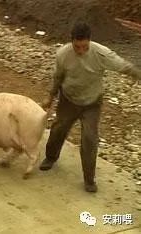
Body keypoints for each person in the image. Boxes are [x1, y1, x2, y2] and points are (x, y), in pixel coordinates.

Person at [39, 22, 141, 192]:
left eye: (84, 47)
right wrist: (50, 95)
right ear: (71, 42)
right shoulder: (63, 54)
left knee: (89, 138)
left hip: (92, 103)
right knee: (58, 129)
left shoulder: (101, 53)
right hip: (68, 99)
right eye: (77, 47)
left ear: (90, 41)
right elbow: (58, 77)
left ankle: (89, 179)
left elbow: (125, 66)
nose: (80, 51)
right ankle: (50, 157)